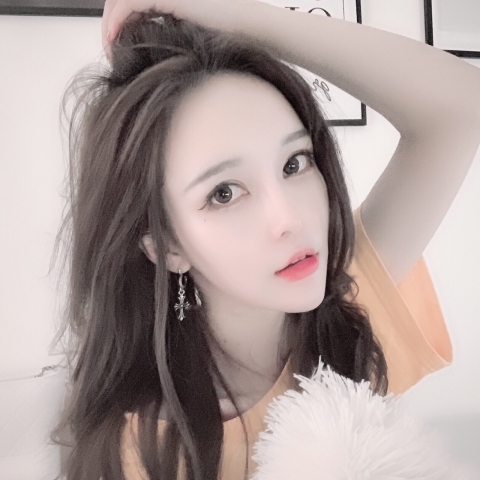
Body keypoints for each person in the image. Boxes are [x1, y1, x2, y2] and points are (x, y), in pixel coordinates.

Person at [53, 1, 480, 479]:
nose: (289, 219)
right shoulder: (145, 451)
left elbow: (463, 105)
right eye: (224, 193)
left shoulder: (354, 304)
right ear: (168, 246)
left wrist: (236, 16)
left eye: (294, 163)